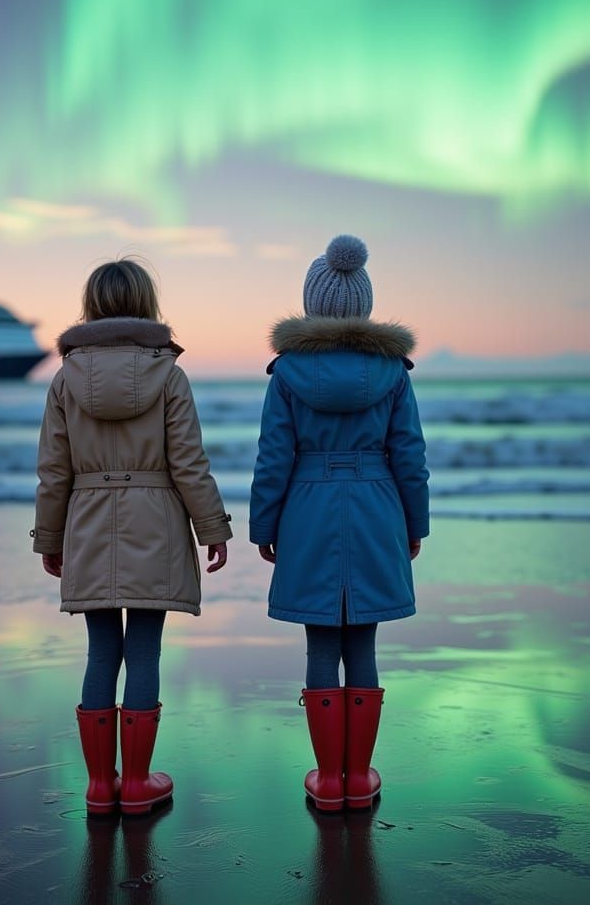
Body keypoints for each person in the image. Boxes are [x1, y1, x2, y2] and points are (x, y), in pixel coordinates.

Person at [32, 258, 233, 816]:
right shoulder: (168, 373)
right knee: (144, 652)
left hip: (89, 520)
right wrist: (213, 528)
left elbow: (54, 470)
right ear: (147, 303)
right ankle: (138, 784)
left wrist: (50, 538)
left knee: (102, 651)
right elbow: (188, 462)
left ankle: (100, 787)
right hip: (158, 520)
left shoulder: (64, 378)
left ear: (91, 305)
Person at [249, 235, 429, 812]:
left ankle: (329, 780)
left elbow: (273, 456)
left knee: (320, 641)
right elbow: (410, 456)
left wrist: (263, 525)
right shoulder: (393, 373)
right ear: (365, 306)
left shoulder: (287, 374)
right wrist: (414, 524)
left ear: (311, 304)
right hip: (378, 507)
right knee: (364, 638)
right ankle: (359, 773)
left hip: (307, 508)